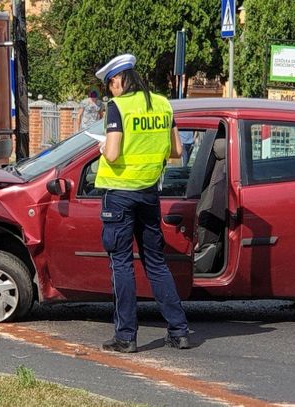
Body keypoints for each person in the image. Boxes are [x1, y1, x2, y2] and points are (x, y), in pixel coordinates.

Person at [94, 54, 190, 353]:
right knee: (156, 263)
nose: (111, 91)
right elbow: (176, 150)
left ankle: (126, 337)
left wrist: (101, 145)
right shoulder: (162, 103)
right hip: (149, 193)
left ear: (119, 80)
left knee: (121, 264)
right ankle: (179, 331)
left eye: (111, 84)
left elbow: (111, 154)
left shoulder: (117, 107)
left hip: (119, 194)